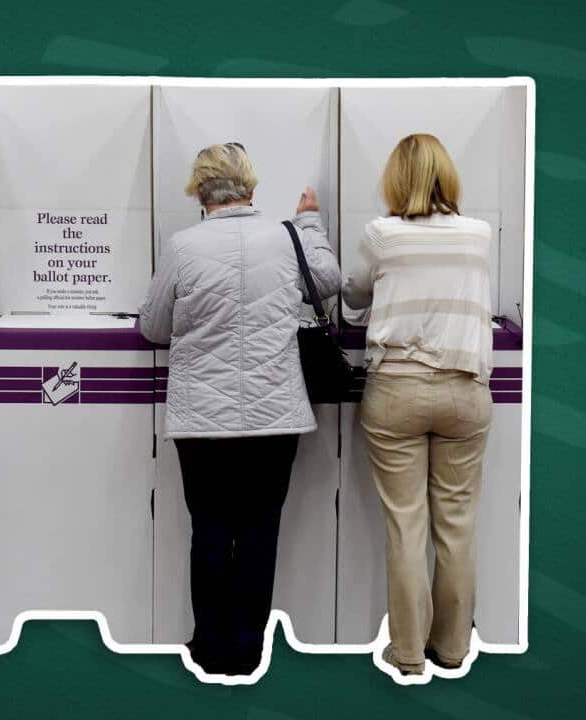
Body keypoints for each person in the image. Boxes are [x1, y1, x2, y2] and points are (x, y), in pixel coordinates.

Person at [139, 143, 341, 676]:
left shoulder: (182, 246)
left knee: (208, 529)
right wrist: (310, 222)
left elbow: (153, 327)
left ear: (199, 192)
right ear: (251, 188)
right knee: (259, 532)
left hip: (201, 424)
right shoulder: (286, 238)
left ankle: (209, 648)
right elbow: (329, 283)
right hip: (275, 421)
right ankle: (248, 650)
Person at [342, 134, 493, 676]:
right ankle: (452, 650)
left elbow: (354, 294)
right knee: (456, 524)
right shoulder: (479, 235)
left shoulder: (382, 235)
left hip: (397, 393)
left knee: (406, 525)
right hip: (465, 392)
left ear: (395, 180)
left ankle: (406, 655)